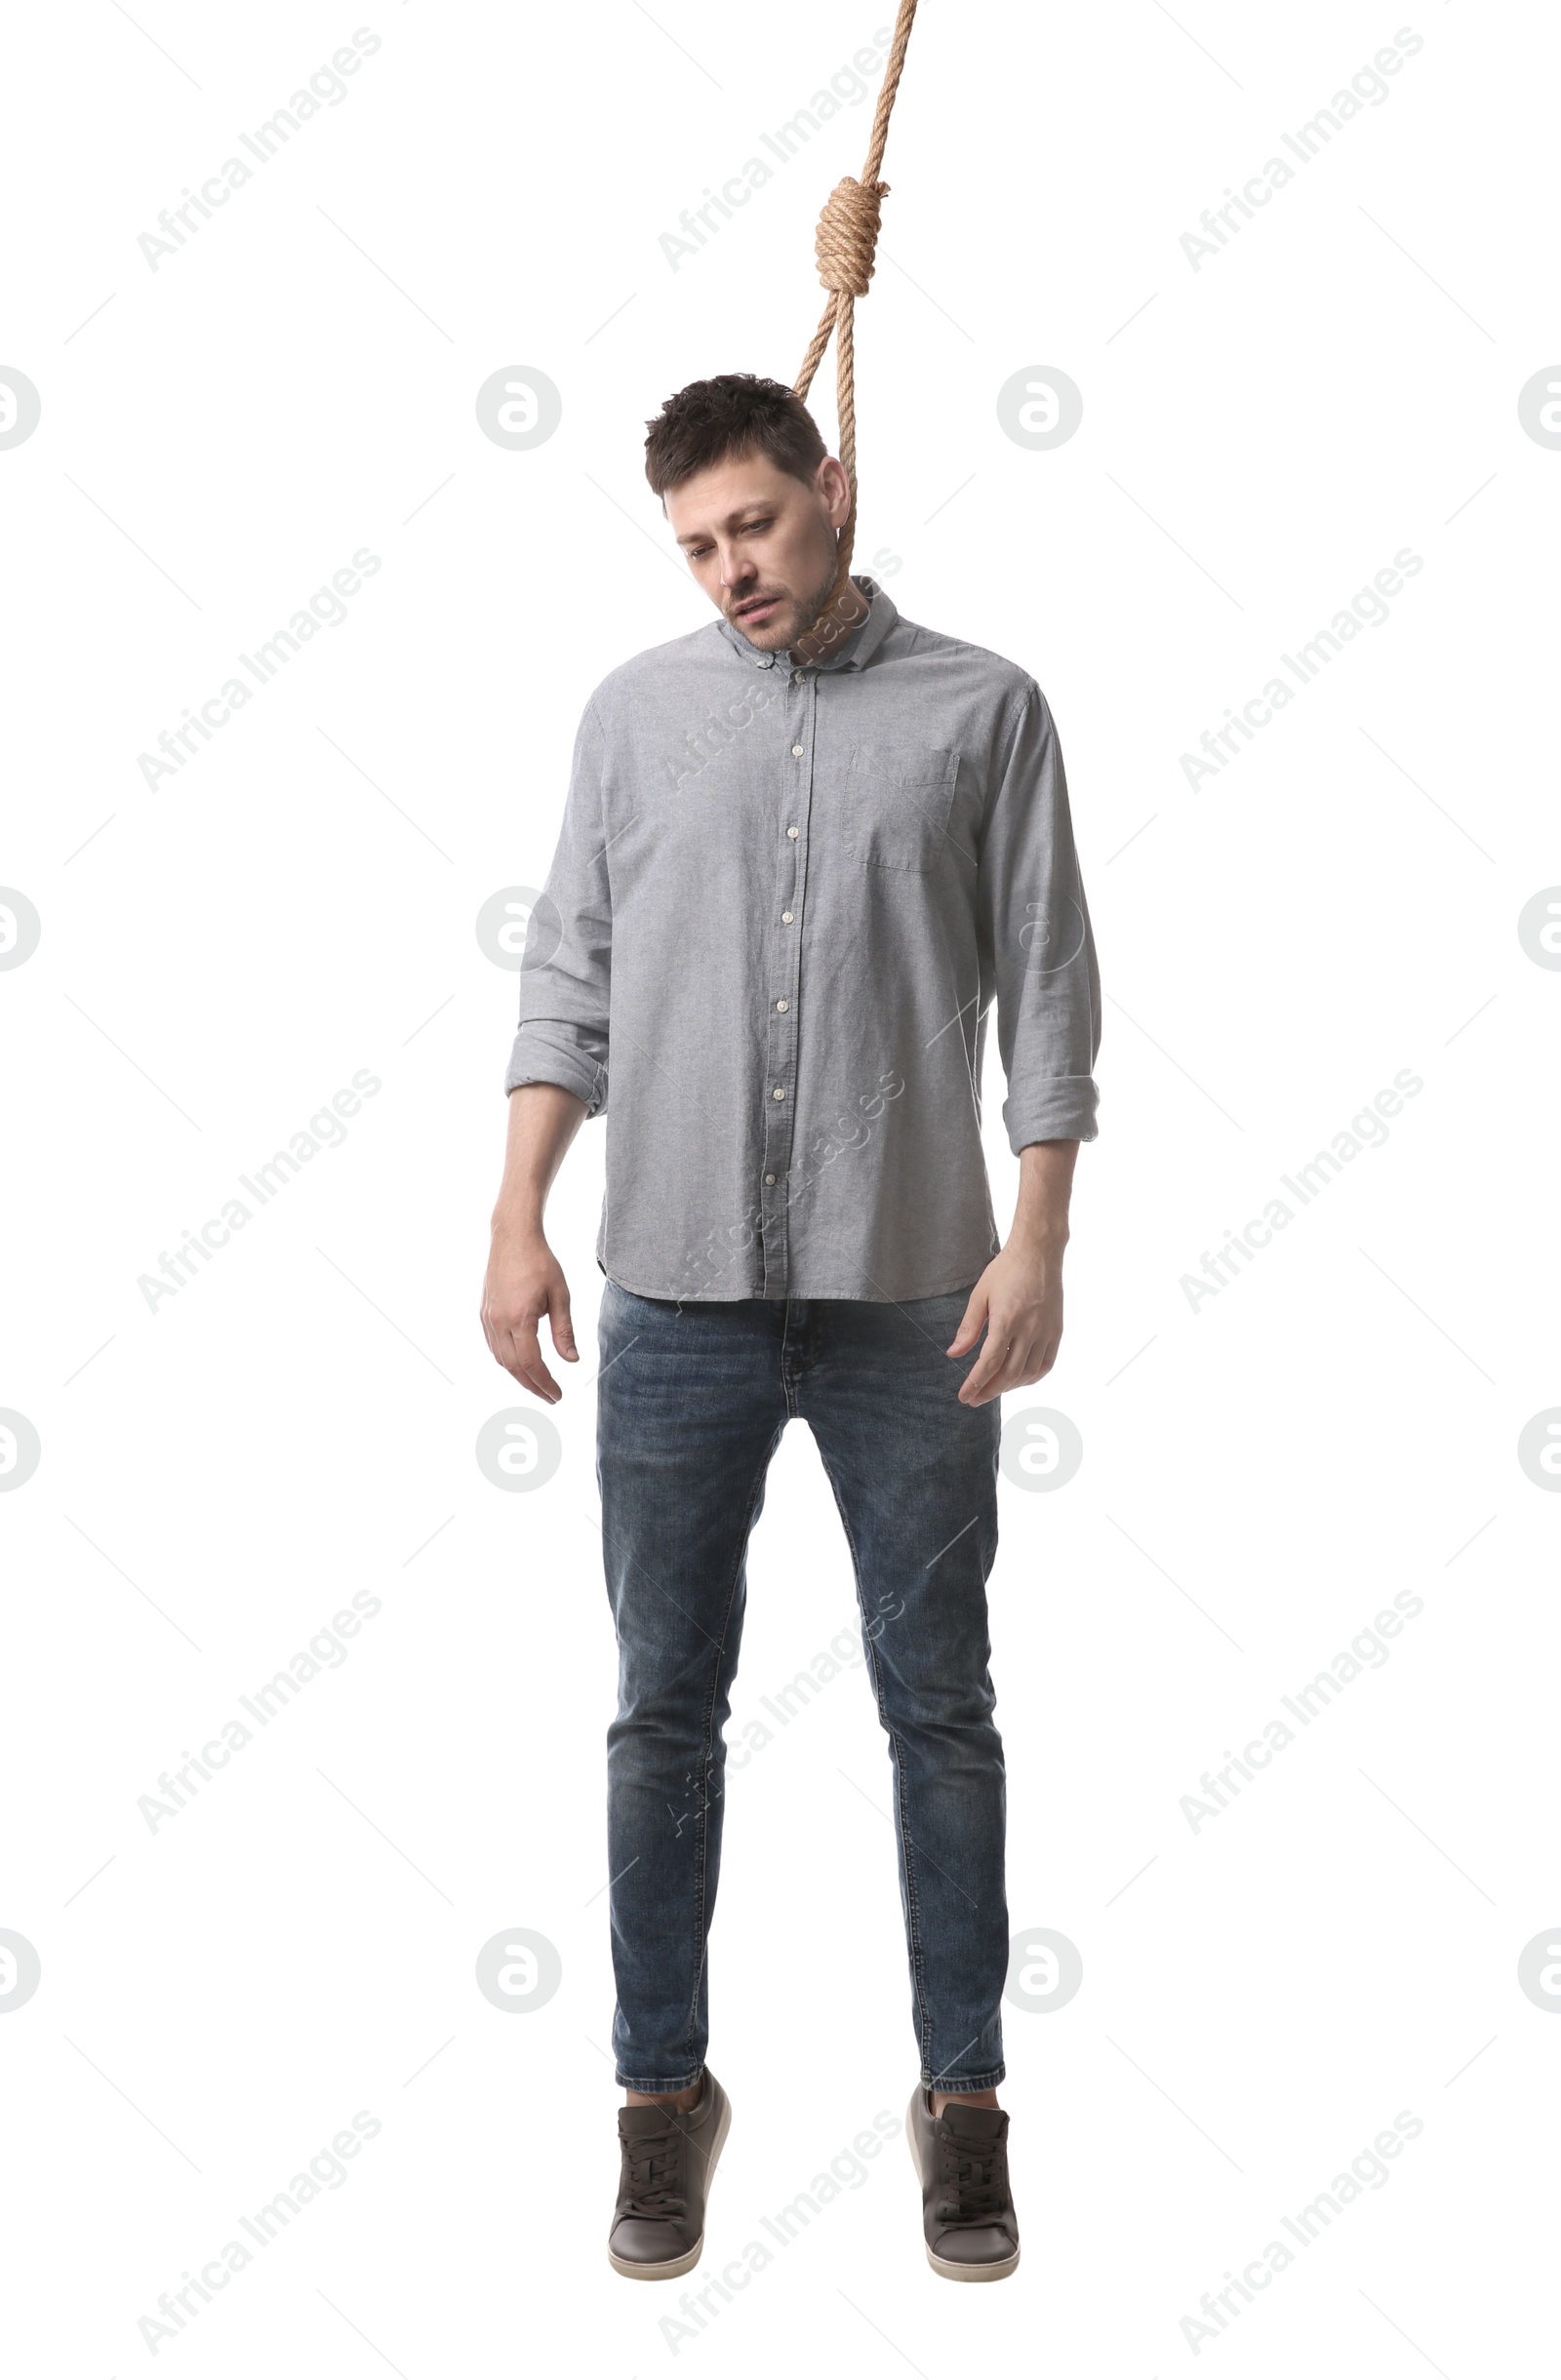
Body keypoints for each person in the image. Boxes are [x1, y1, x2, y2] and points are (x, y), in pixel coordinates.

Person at [480, 372, 1101, 2284]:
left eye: (749, 522)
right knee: (660, 1712)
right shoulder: (631, 719)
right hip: (666, 1293)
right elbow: (566, 975)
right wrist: (514, 1212)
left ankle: (964, 2104)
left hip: (914, 1288)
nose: (726, 569)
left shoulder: (983, 709)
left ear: (830, 484)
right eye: (691, 544)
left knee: (940, 1713)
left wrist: (1036, 1241)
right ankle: (660, 2101)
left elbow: (1051, 995)